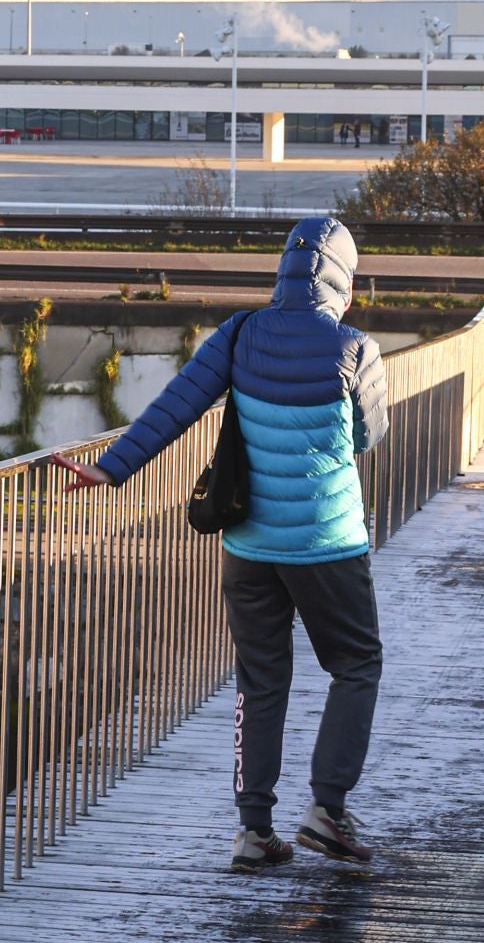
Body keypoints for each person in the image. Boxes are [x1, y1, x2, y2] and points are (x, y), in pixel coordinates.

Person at [55, 216, 388, 874]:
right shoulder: (355, 348)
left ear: (282, 279)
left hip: (250, 545)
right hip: (328, 546)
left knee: (260, 680)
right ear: (342, 287)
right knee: (355, 666)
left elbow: (175, 405)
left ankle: (253, 831)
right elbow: (367, 437)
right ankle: (326, 809)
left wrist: (111, 468)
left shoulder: (238, 334)